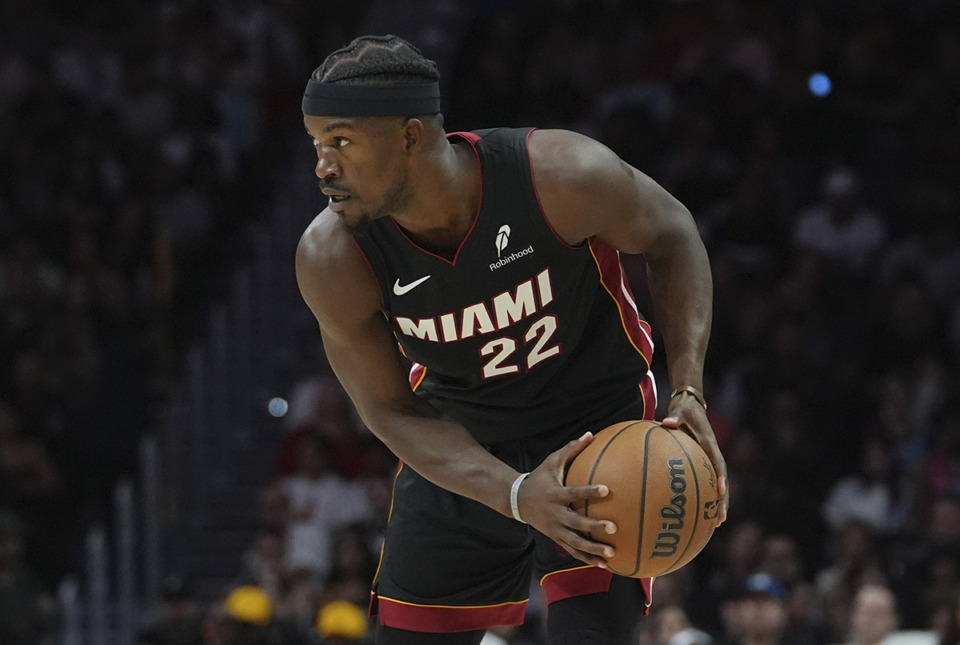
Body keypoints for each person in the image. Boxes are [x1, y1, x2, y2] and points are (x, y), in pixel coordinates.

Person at [294, 34, 729, 645]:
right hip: (462, 447)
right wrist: (517, 493)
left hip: (597, 429)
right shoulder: (332, 258)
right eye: (316, 144)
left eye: (340, 141)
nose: (322, 166)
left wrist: (687, 388)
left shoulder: (558, 177)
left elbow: (674, 235)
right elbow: (388, 406)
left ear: (410, 136)